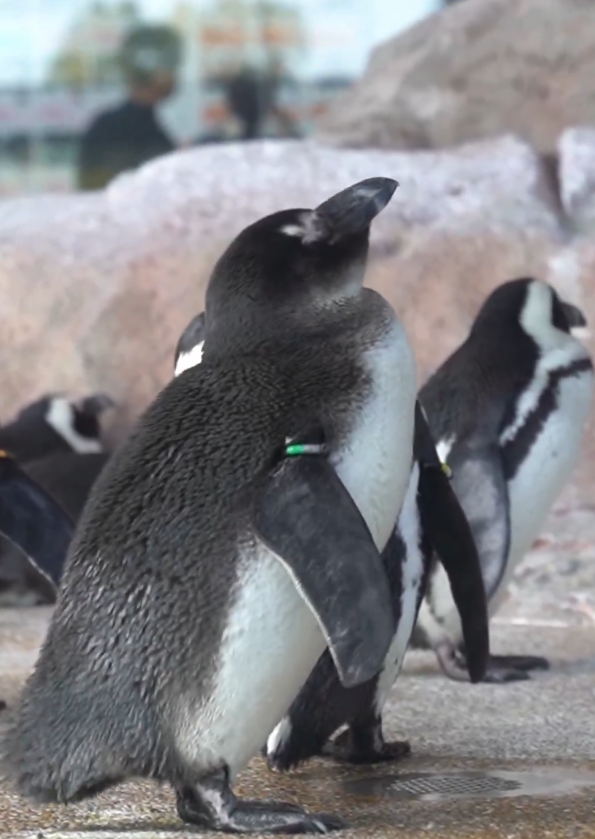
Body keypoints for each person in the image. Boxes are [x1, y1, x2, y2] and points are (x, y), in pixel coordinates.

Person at [77, 25, 182, 190]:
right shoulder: (133, 132)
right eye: (172, 65)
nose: (177, 75)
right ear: (155, 72)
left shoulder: (107, 125)